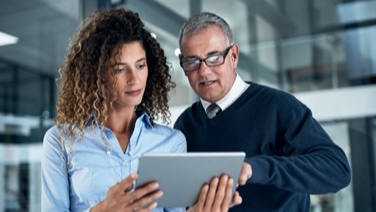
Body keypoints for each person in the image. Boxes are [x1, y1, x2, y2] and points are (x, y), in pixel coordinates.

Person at [41, 8, 241, 212]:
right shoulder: (61, 142)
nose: (134, 79)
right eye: (120, 69)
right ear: (97, 74)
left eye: (140, 65)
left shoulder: (171, 142)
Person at [174, 11, 351, 211]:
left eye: (214, 58)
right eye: (193, 61)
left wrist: (255, 169)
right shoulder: (185, 125)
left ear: (233, 55)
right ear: (183, 65)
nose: (204, 71)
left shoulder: (279, 107)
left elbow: (338, 170)